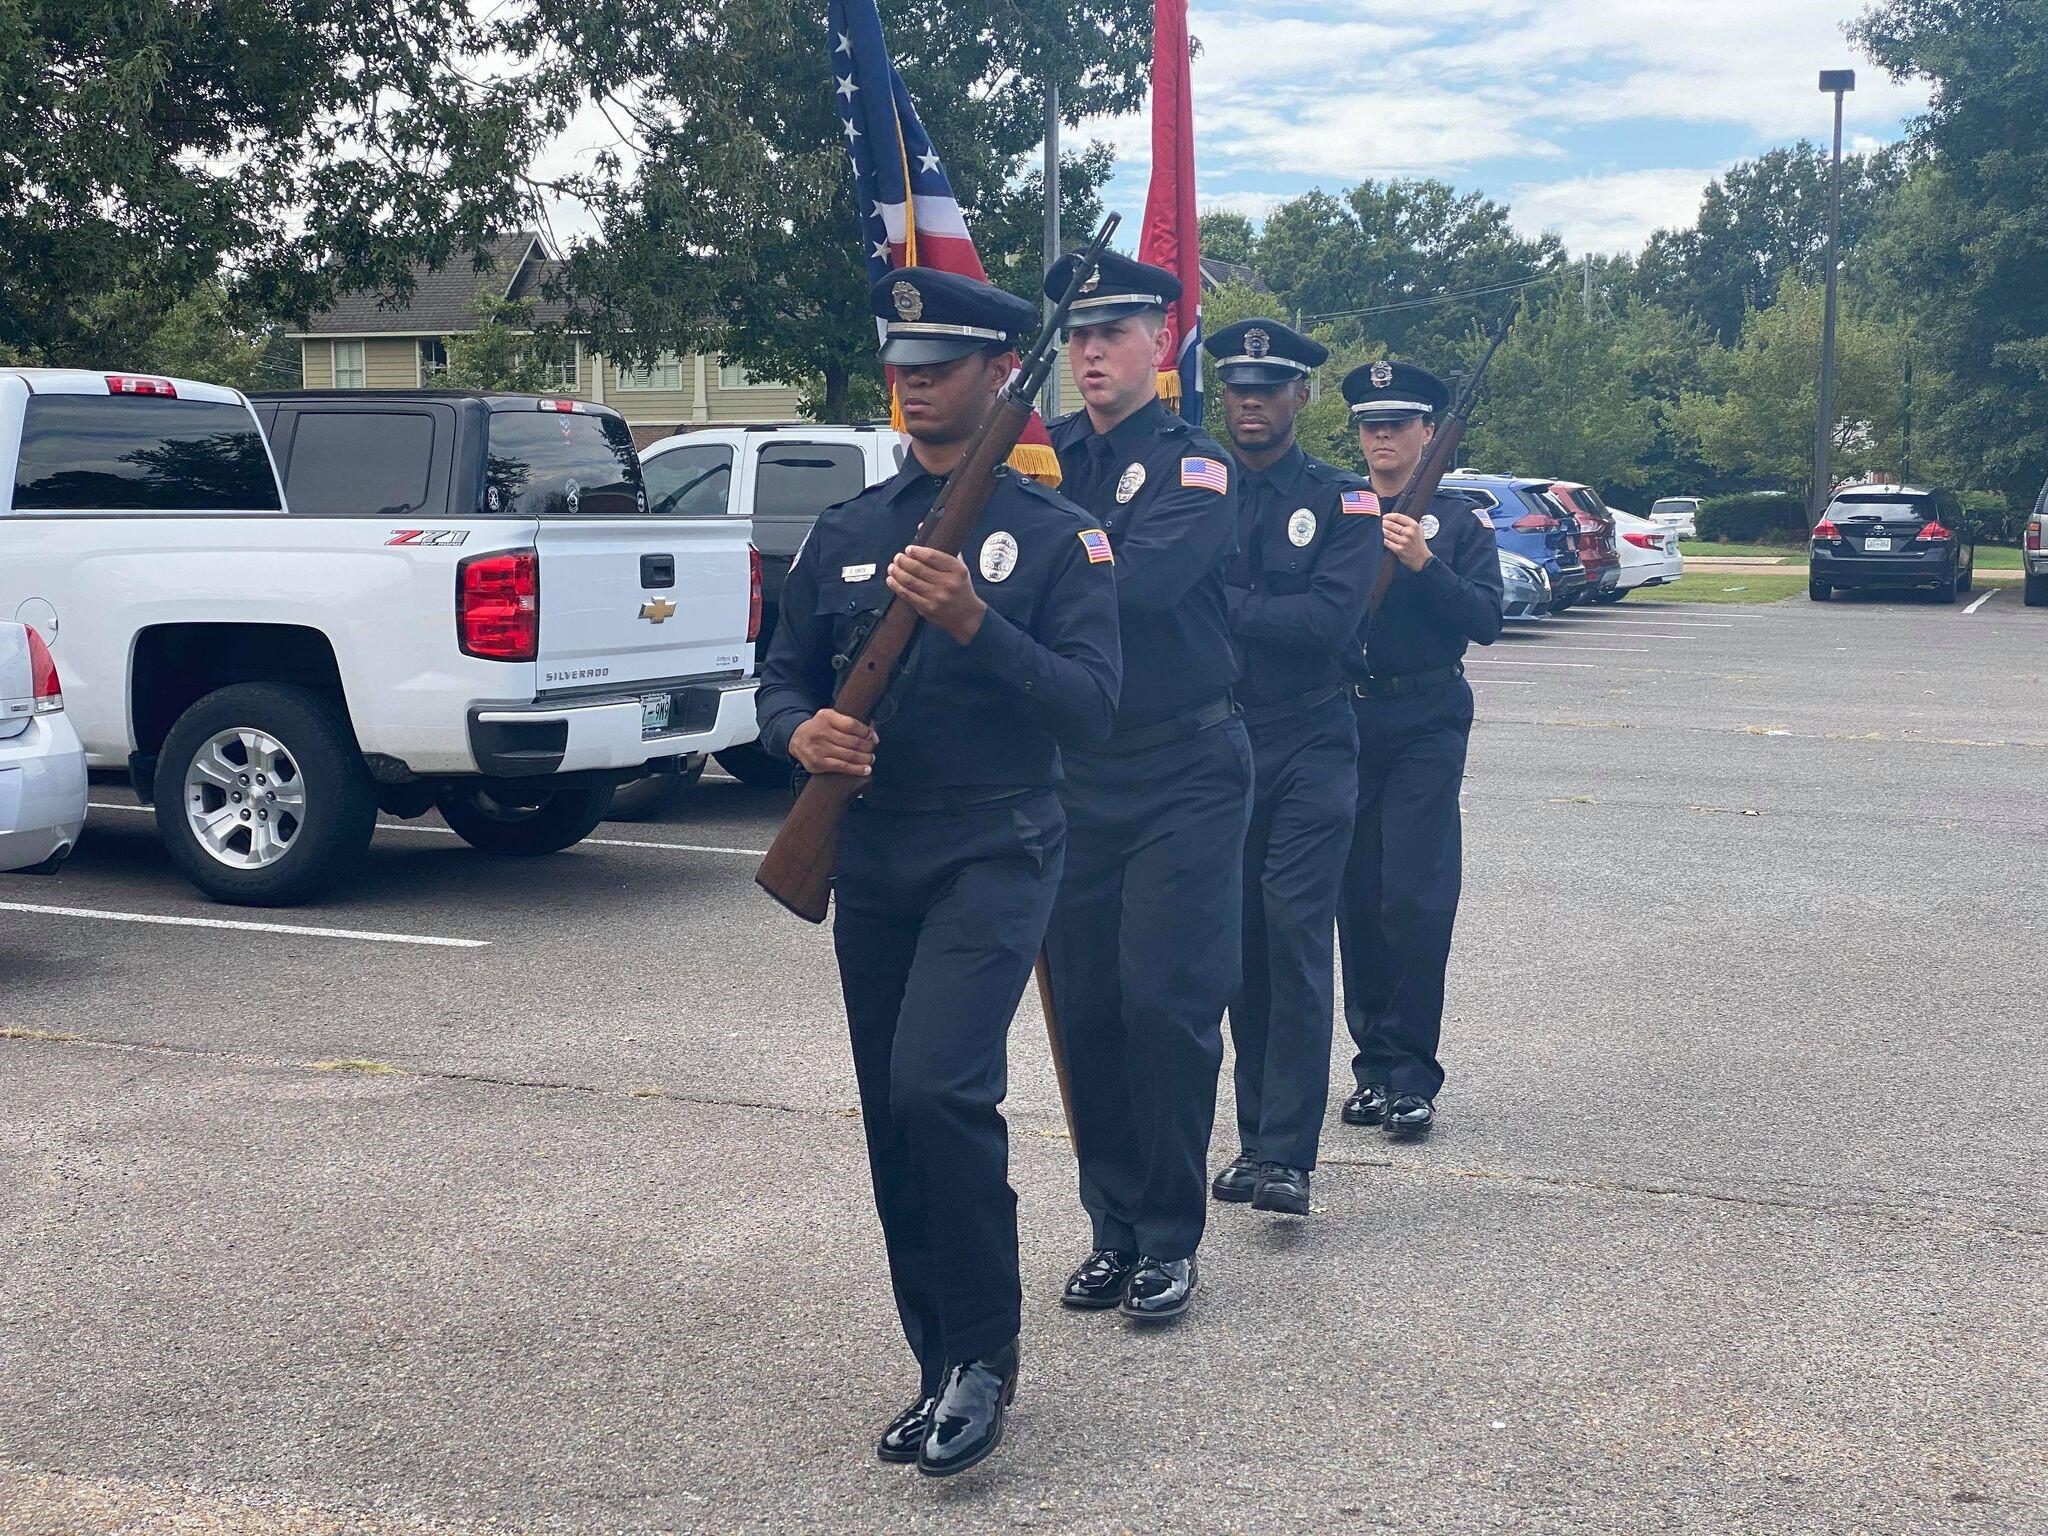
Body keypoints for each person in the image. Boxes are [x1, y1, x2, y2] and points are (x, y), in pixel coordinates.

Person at [754, 267, 1121, 1478]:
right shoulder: (851, 529)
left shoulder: (1058, 538)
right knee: (889, 1114)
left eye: (941, 368)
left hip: (997, 842)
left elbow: (1092, 710)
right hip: (873, 848)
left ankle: (982, 1359)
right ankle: (933, 1357)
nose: (914, 388)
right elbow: (778, 677)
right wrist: (798, 735)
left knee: (935, 1089)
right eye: (902, 370)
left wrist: (975, 620)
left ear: (999, 375)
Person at [1039, 251, 1251, 1322]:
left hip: (1181, 768)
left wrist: (1037, 567)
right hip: (1074, 773)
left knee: (1163, 1005)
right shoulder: (1040, 456)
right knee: (1083, 1009)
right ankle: (1111, 1225)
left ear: (1157, 345)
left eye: (1112, 332)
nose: (1089, 353)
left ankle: (1168, 1233)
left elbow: (1144, 586)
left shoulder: (1193, 467)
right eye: (1076, 335)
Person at [1201, 318, 1382, 1217]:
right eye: (1237, 387)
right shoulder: (1196, 488)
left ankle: (1289, 1156)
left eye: (1268, 388)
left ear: (1301, 398)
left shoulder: (1344, 501)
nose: (1250, 402)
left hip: (1312, 741)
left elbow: (1329, 626)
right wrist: (1265, 605)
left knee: (1295, 931)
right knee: (1238, 944)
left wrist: (1224, 602)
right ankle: (1254, 1139)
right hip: (1225, 745)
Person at [1335, 360, 1502, 1140]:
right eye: (1371, 425)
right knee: (1358, 897)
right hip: (1345, 721)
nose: (1382, 437)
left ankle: (1412, 1074)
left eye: (1398, 424)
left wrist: (1424, 563)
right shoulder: (1336, 511)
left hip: (1427, 718)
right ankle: (1372, 1066)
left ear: (1429, 432)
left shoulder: (1461, 522)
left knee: (1414, 897)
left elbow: (1487, 619)